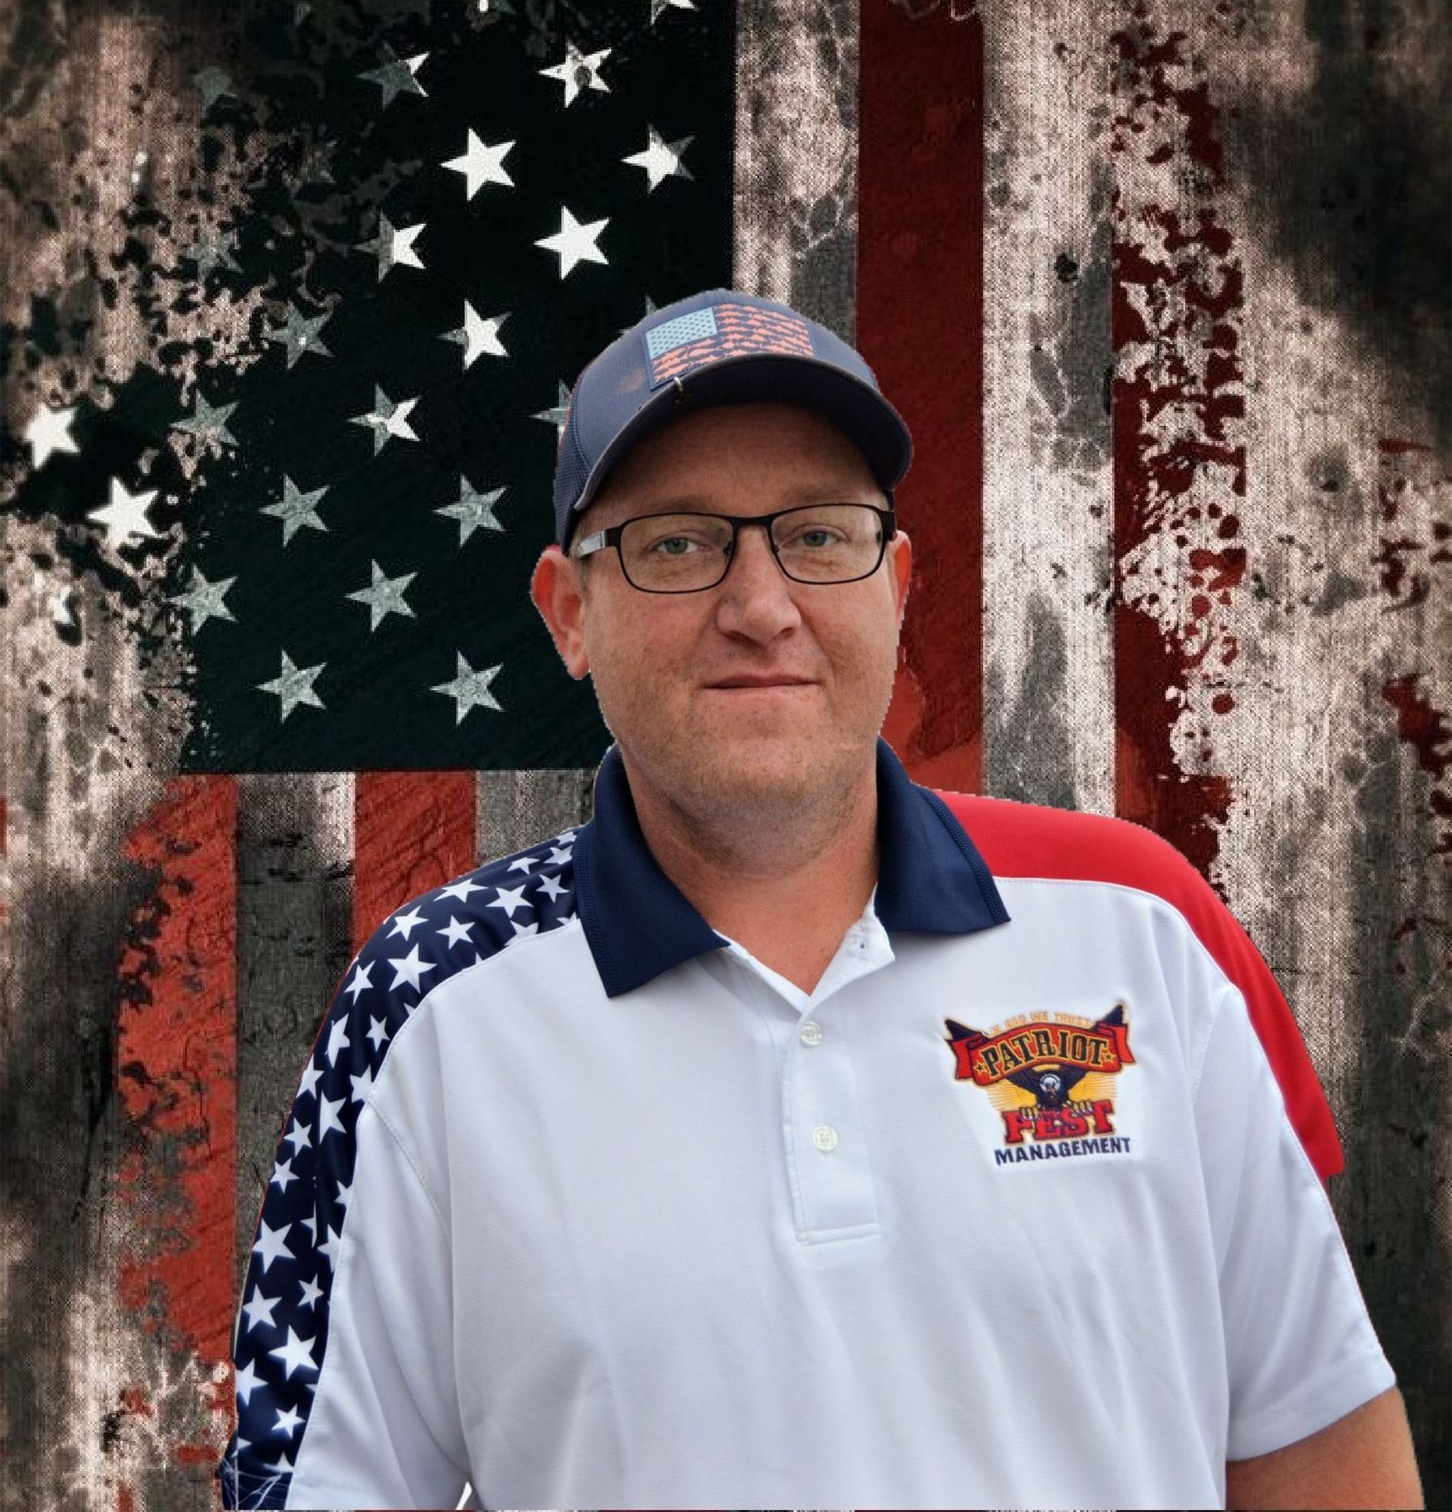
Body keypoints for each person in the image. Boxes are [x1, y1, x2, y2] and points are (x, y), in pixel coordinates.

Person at [218, 288, 1422, 1510]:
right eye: (678, 542)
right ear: (570, 613)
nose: (761, 606)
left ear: (897, 584)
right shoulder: (431, 1003)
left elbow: (1318, 1443)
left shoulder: (1140, 924)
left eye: (820, 535)